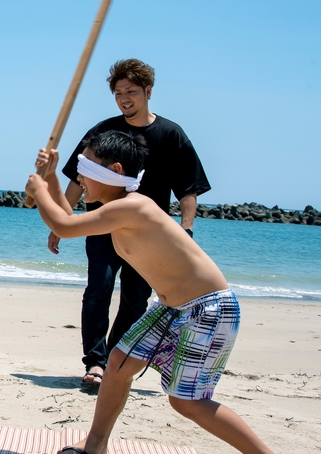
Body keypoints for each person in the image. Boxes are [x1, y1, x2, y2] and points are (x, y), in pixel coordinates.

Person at [26, 130, 294, 454]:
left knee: (186, 400)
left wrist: (38, 188)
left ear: (114, 170)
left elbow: (63, 225)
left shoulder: (135, 207)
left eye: (84, 168)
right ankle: (96, 447)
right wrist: (53, 178)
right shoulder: (116, 208)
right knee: (117, 364)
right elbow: (65, 213)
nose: (80, 177)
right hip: (171, 307)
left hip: (208, 309)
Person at [48, 59, 211, 388]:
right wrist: (62, 220)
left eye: (131, 91)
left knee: (136, 299)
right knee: (99, 289)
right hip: (102, 225)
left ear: (148, 92)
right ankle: (95, 362)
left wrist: (187, 229)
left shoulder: (171, 134)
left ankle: (114, 361)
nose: (124, 98)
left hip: (147, 236)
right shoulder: (104, 132)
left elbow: (188, 188)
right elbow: (78, 180)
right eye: (119, 92)